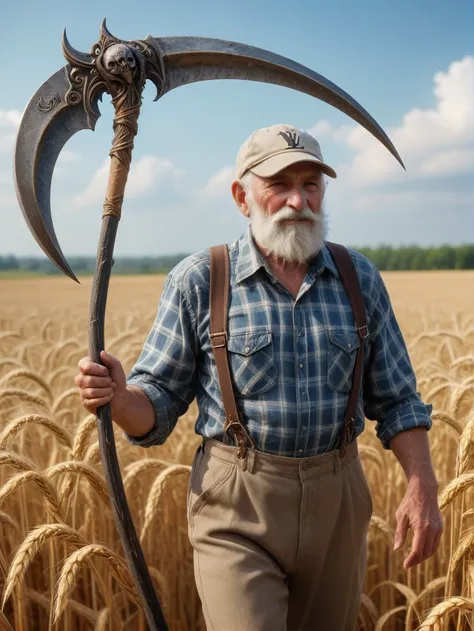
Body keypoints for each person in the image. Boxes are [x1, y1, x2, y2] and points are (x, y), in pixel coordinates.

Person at [75, 124, 443, 631]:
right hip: (236, 504)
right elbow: (157, 402)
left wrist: (421, 486)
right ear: (241, 197)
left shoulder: (359, 279)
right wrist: (118, 398)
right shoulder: (201, 279)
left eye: (311, 184)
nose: (298, 200)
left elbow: (399, 399)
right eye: (279, 184)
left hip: (339, 500)